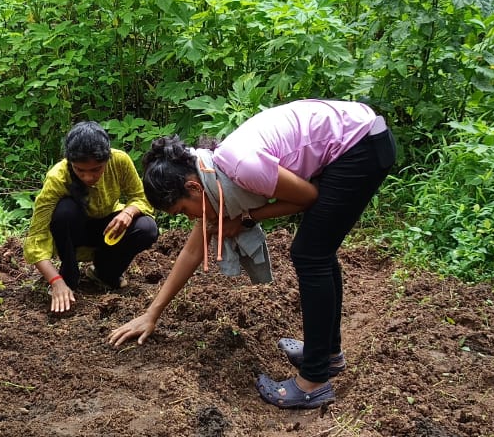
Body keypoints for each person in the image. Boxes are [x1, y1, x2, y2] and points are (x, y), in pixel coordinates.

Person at [109, 99, 396, 409]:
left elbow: (307, 197)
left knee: (310, 254)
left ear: (192, 187)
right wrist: (152, 314)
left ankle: (313, 380)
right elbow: (193, 251)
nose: (191, 218)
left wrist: (246, 219)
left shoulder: (240, 167)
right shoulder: (211, 174)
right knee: (318, 251)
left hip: (360, 146)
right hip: (354, 140)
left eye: (183, 210)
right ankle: (326, 354)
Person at [24, 121, 159, 313]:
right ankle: (69, 276)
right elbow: (36, 237)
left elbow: (141, 197)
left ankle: (104, 273)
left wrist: (129, 212)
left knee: (147, 228)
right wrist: (55, 281)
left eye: (96, 169)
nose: (88, 177)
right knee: (65, 211)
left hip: (108, 228)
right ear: (70, 163)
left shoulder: (120, 161)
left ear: (107, 159)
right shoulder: (58, 177)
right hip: (74, 231)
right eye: (80, 170)